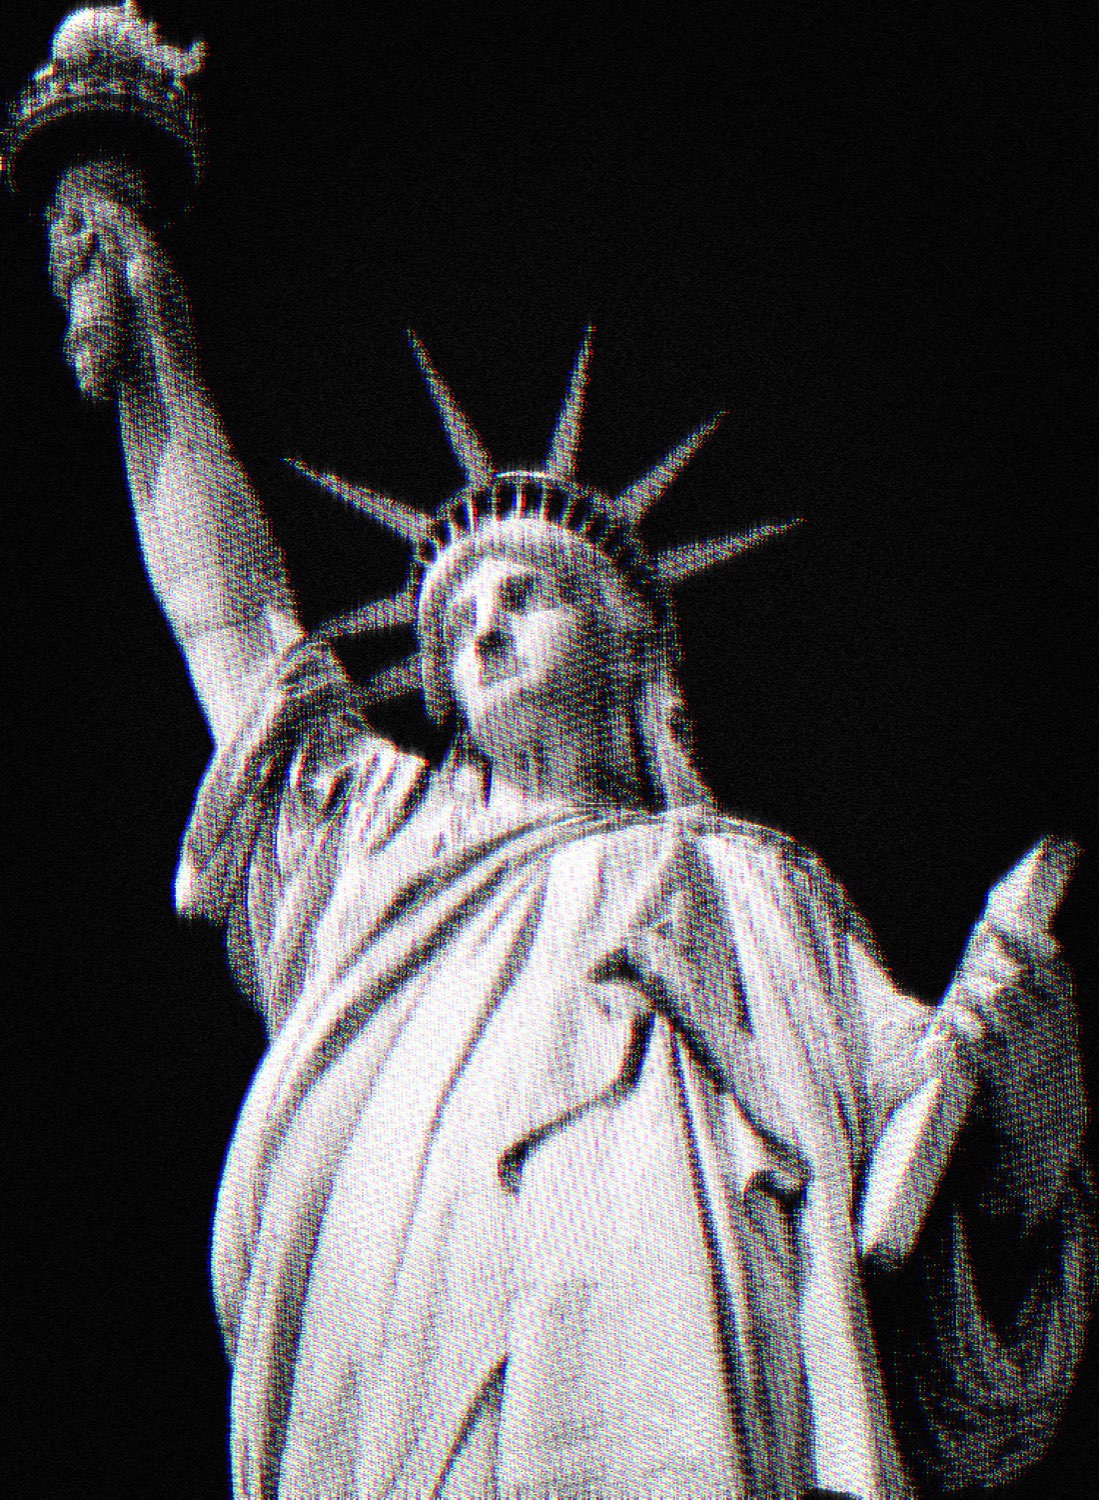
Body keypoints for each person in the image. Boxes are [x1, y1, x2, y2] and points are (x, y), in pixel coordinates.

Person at [44, 159, 1095, 1500]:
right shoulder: (380, 836)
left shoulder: (751, 883)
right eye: (453, 625)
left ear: (632, 647)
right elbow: (229, 617)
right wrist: (161, 366)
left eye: (528, 595)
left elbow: (925, 1171)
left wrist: (1032, 1106)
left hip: (678, 1343)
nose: (482, 630)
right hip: (398, 1344)